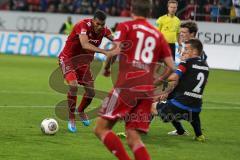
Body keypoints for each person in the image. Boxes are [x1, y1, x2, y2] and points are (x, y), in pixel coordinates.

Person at [94, 0, 175, 159]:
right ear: (150, 13)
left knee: (101, 129)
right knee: (133, 137)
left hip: (125, 87)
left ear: (132, 10)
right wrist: (155, 83)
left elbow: (114, 51)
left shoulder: (125, 26)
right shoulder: (158, 35)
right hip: (146, 91)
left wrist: (106, 68)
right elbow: (171, 67)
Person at [58, 10, 115, 132]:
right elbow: (84, 44)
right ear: (93, 21)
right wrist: (105, 51)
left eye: (102, 24)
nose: (100, 27)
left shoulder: (105, 30)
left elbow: (117, 40)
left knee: (91, 93)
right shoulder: (82, 25)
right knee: (73, 86)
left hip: (83, 63)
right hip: (68, 59)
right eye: (98, 24)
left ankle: (81, 111)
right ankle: (71, 117)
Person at [151, 38, 209, 142]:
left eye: (186, 49)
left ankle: (135, 131)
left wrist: (160, 79)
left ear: (194, 51)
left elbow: (174, 77)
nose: (183, 51)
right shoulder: (206, 66)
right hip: (196, 106)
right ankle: (199, 135)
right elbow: (205, 82)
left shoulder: (186, 63)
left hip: (180, 104)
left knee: (150, 106)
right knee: (192, 115)